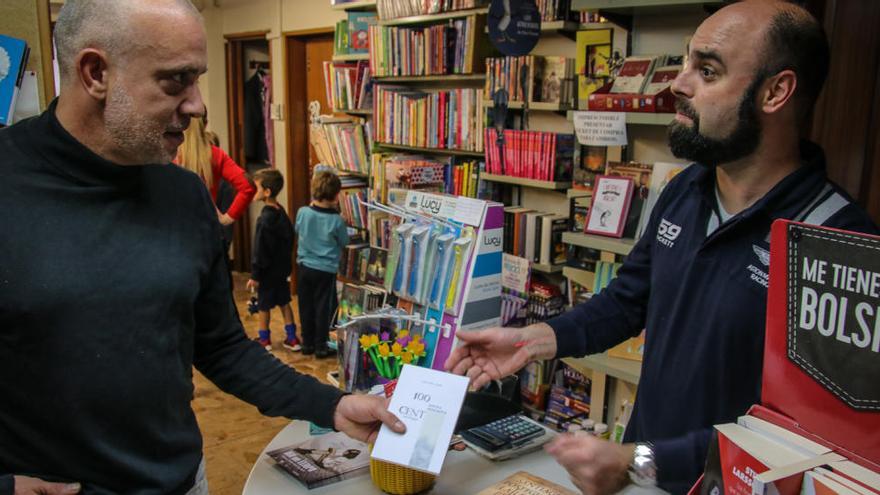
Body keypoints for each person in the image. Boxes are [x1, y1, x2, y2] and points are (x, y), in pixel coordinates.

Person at [446, 1, 878, 493]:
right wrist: (534, 340)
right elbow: (628, 301)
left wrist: (639, 460)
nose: (678, 83)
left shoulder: (841, 242)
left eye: (707, 70)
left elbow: (807, 441)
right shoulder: (683, 191)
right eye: (686, 62)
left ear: (776, 92)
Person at [0, 1, 404, 493]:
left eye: (198, 79)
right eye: (176, 81)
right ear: (95, 72)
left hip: (184, 481)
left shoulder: (185, 193)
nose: (196, 104)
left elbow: (223, 347)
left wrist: (332, 405)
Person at [246, 168, 301, 352]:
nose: (254, 191)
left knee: (263, 306)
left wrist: (255, 274)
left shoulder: (264, 219)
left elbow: (259, 250)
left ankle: (264, 340)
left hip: (267, 272)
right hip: (282, 270)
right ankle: (292, 338)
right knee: (285, 303)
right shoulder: (282, 213)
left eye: (257, 188)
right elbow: (290, 239)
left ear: (267, 192)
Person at [295, 170, 349, 359]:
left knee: (305, 305)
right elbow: (344, 241)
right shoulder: (336, 221)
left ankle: (307, 343)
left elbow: (298, 229)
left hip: (304, 268)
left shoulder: (303, 212)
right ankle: (321, 346)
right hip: (325, 270)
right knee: (323, 308)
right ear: (336, 196)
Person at [176, 114, 255, 228]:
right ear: (206, 124)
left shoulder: (170, 155)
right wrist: (227, 218)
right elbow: (248, 186)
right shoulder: (216, 155)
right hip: (206, 227)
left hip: (175, 228)